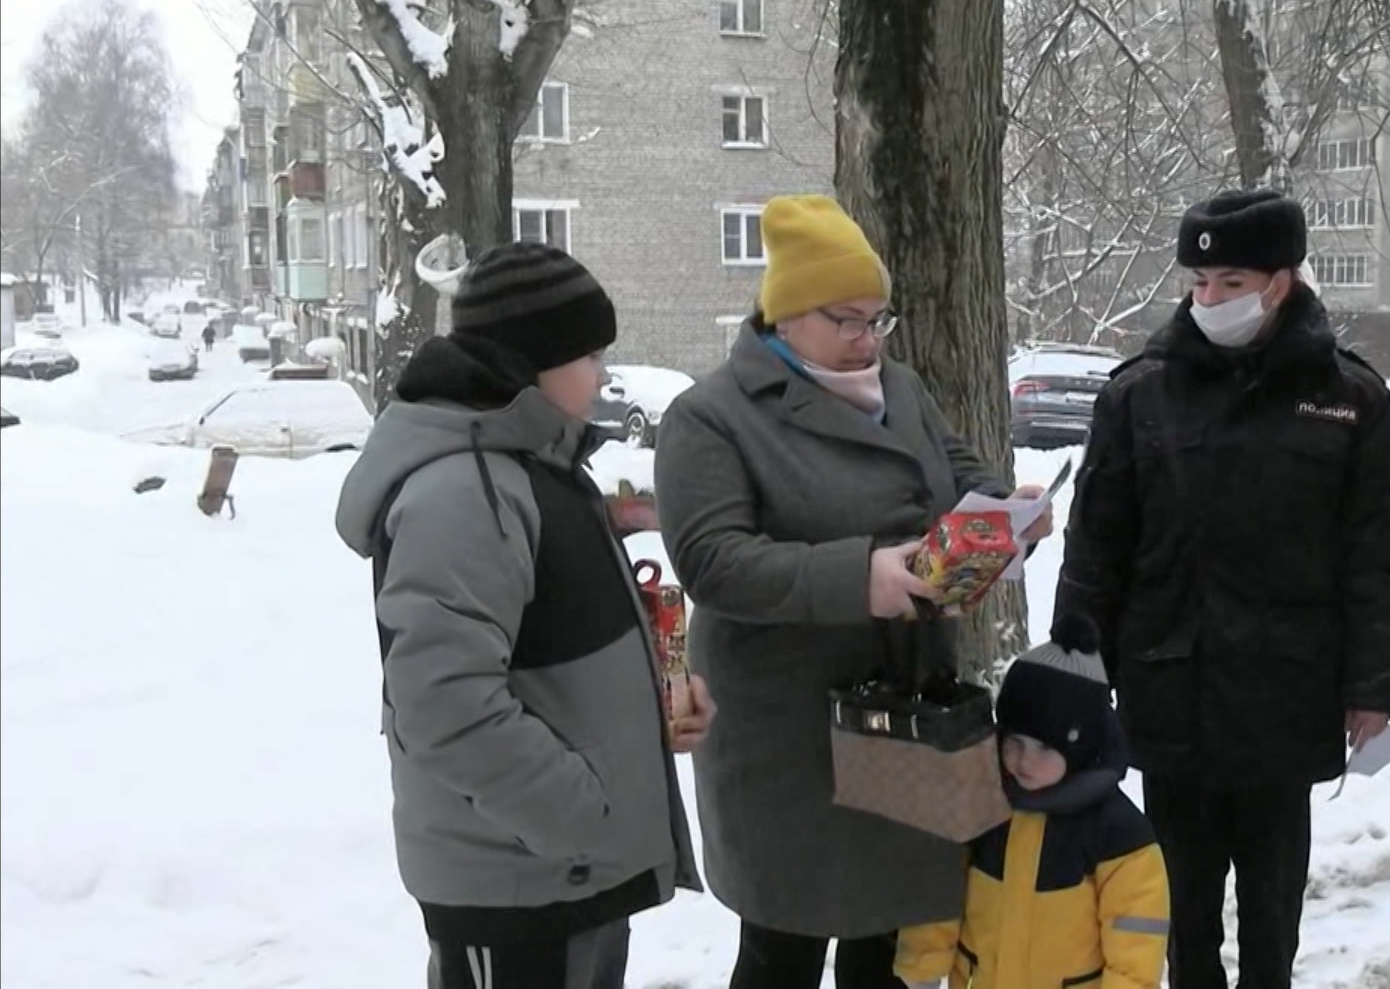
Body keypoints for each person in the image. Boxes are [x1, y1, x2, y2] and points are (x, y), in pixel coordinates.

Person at [652, 194, 1056, 989]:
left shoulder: (897, 388)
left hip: (908, 706)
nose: (867, 338)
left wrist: (1004, 516)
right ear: (788, 313)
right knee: (786, 944)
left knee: (894, 940)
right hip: (789, 731)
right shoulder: (712, 416)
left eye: (879, 319)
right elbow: (713, 560)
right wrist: (860, 576)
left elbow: (958, 468)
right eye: (846, 319)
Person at [1052, 190, 1390, 989]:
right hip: (1169, 688)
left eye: (1231, 281)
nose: (1210, 299)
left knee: (1271, 910)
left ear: (1280, 281)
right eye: (1200, 281)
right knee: (1179, 912)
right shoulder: (1137, 394)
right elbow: (1095, 552)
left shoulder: (1348, 399)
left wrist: (1374, 687)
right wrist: (1076, 682)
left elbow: (1380, 559)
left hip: (1287, 696)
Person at [333, 241, 712, 989]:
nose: (602, 374)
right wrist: (577, 815)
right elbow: (444, 705)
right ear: (531, 362)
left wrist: (647, 707)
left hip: (562, 874)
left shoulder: (530, 464)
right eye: (589, 354)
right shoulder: (464, 491)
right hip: (519, 882)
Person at [893, 617, 1170, 989]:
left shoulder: (1118, 834)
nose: (1024, 760)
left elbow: (1136, 938)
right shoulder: (980, 803)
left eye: (1044, 748)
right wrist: (923, 968)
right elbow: (938, 888)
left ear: (1079, 750)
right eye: (1015, 742)